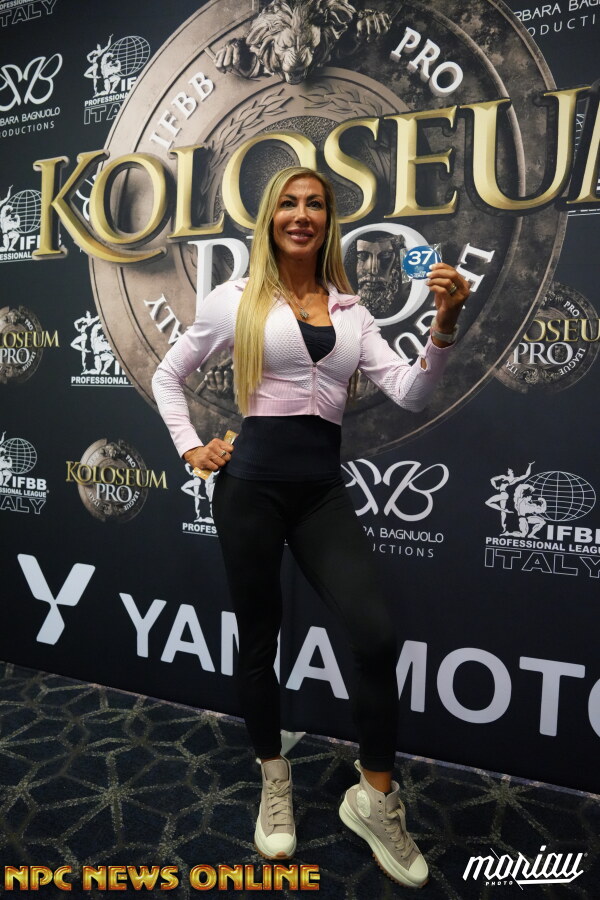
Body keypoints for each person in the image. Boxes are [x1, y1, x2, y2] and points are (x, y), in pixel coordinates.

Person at [152, 165, 468, 888]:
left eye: (315, 205)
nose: (302, 214)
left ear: (329, 221)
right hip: (250, 490)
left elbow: (411, 394)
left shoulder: (353, 312)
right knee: (258, 639)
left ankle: (374, 798)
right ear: (270, 218)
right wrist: (191, 447)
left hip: (321, 491)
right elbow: (168, 377)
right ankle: (273, 775)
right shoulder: (233, 299)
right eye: (289, 203)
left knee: (375, 635)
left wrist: (444, 326)